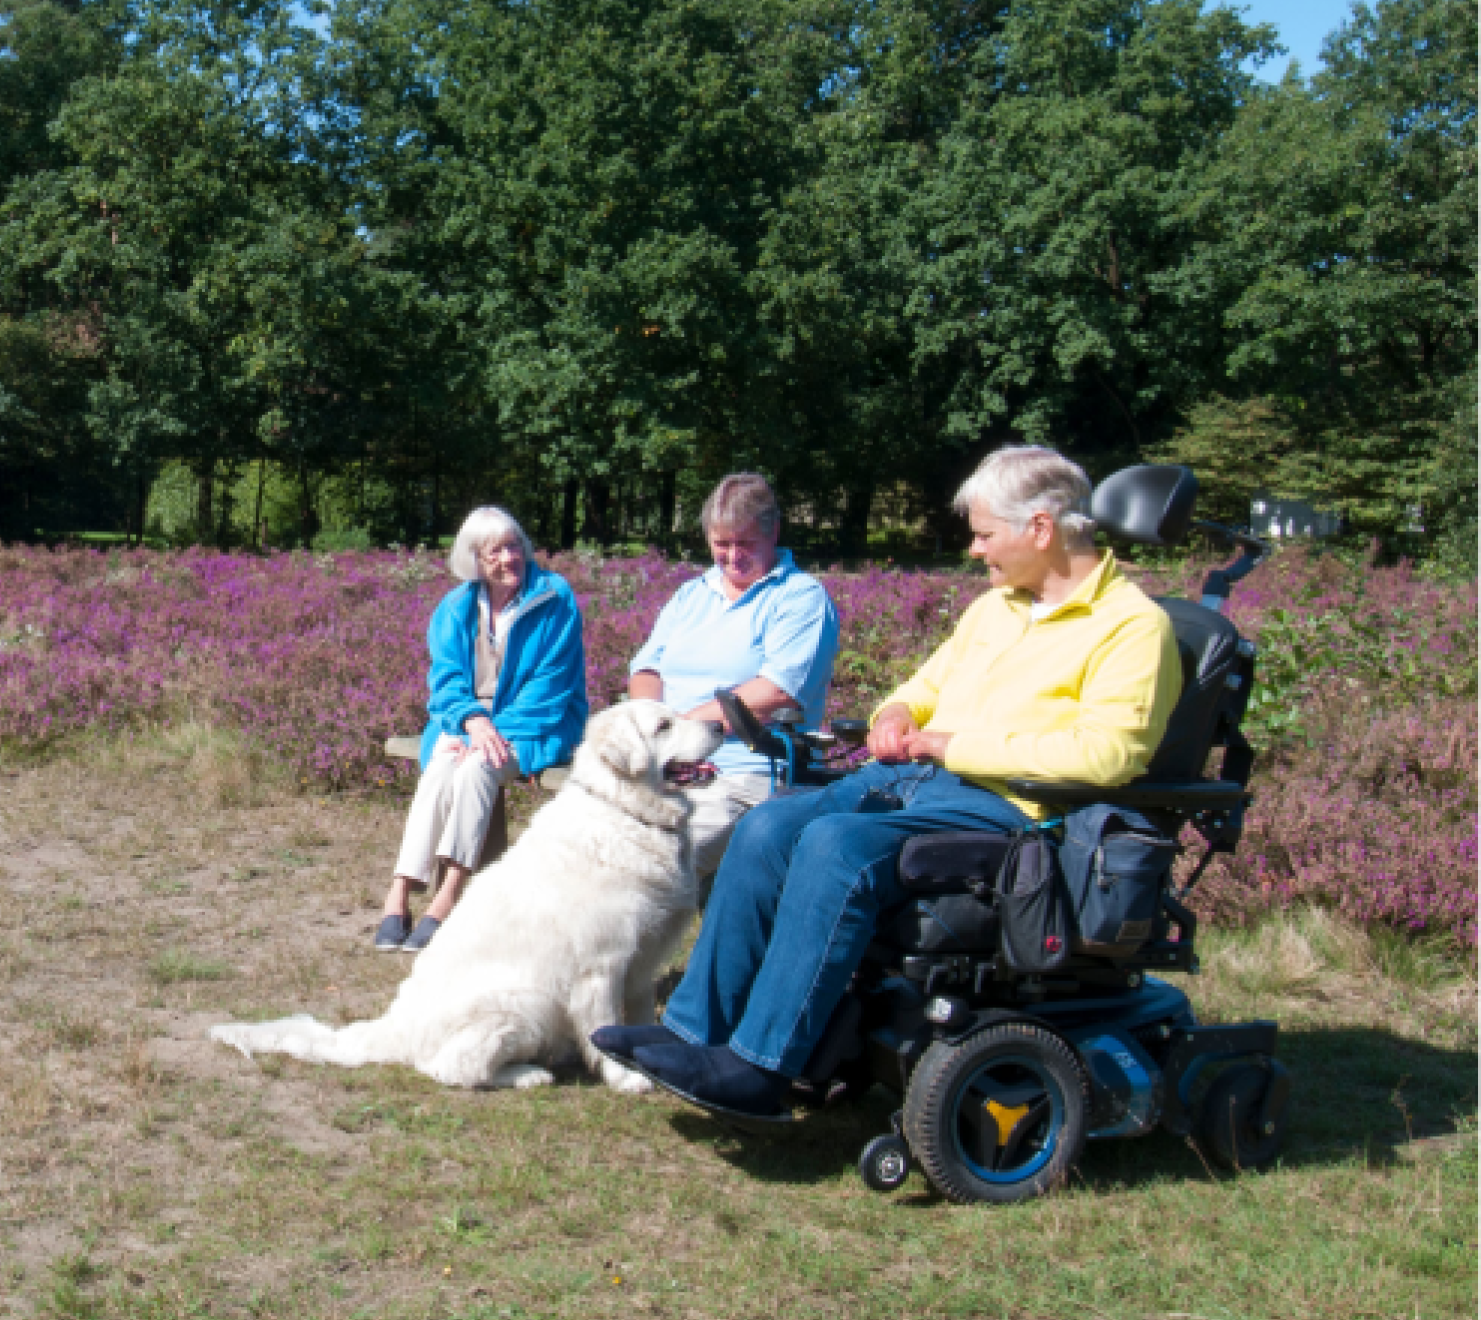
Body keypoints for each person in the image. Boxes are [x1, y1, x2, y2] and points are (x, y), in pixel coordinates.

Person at [598, 445, 1184, 1121]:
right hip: (917, 781)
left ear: (1042, 530)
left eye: (985, 533)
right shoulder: (997, 609)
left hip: (1015, 811)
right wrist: (899, 713)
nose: (973, 549)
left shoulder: (1133, 627)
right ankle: (693, 1035)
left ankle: (760, 1066)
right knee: (768, 826)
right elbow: (922, 688)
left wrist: (951, 744)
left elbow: (1107, 754)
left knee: (836, 846)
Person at [375, 507, 587, 953]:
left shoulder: (555, 598)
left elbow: (550, 689)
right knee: (439, 768)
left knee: (476, 770)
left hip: (534, 725)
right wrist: (471, 722)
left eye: (514, 546)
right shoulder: (456, 606)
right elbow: (445, 679)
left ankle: (448, 895)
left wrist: (491, 734)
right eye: (496, 552)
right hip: (467, 722)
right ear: (474, 559)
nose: (509, 559)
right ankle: (399, 891)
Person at [628, 474, 839, 877]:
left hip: (742, 770)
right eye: (721, 544)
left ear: (773, 533)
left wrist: (678, 730)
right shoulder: (692, 595)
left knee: (647, 866)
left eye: (745, 543)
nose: (732, 555)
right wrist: (648, 725)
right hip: (665, 762)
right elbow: (647, 668)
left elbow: (776, 691)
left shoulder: (800, 598)